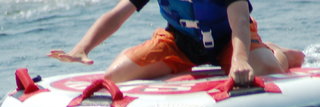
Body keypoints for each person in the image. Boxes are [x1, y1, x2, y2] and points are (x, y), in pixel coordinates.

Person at [48, 0, 305, 85]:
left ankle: (277, 52)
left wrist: (240, 59)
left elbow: (239, 21)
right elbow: (117, 15)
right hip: (180, 41)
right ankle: (155, 58)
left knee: (266, 69)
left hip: (231, 39)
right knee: (114, 76)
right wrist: (82, 49)